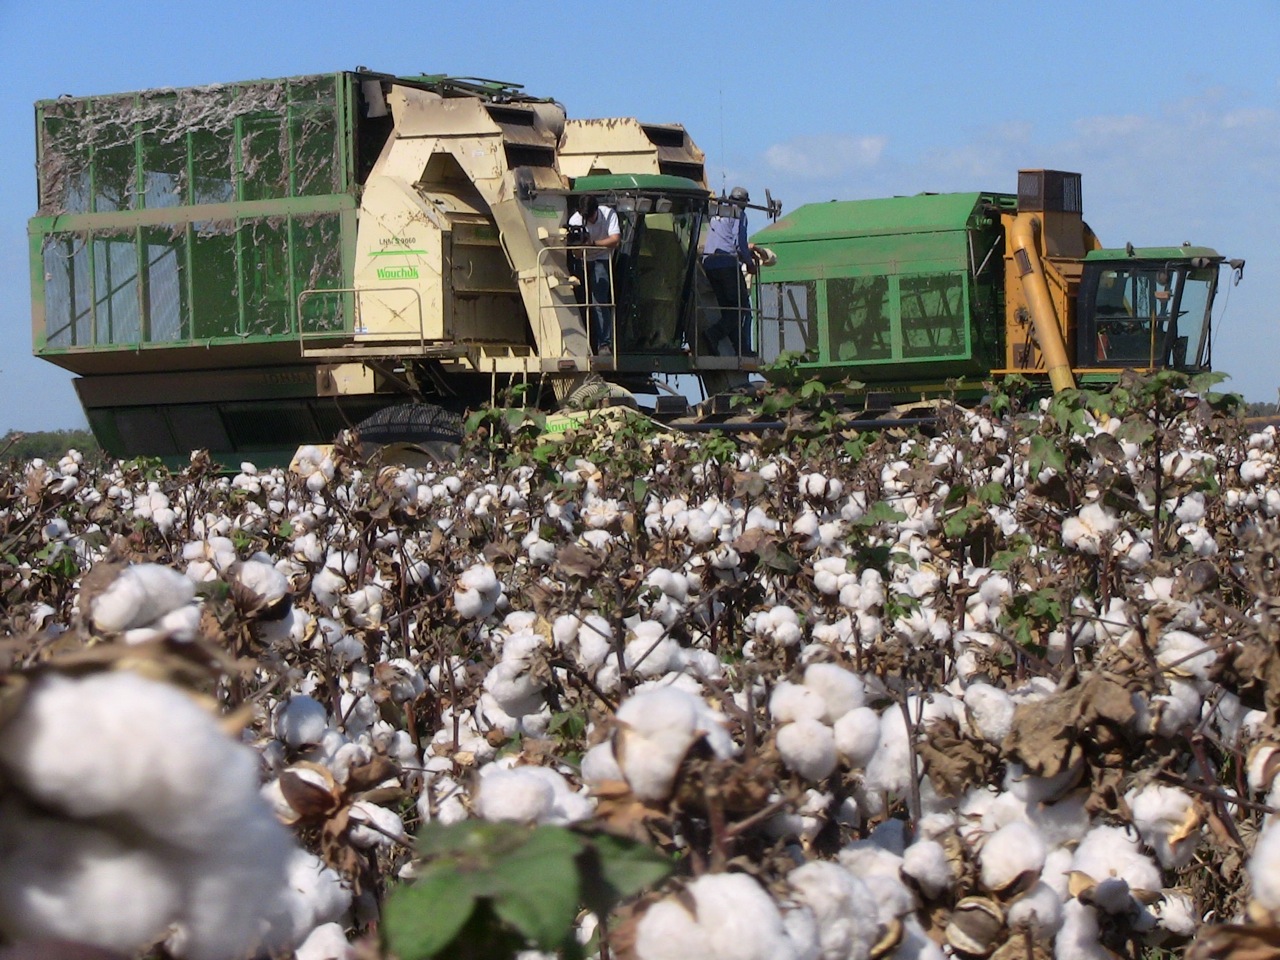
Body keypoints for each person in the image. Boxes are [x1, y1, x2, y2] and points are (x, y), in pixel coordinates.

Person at [702, 185, 758, 355]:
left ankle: (740, 349)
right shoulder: (738, 214)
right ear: (744, 202)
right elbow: (739, 244)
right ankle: (714, 335)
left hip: (709, 264)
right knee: (741, 309)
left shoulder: (717, 213)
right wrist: (749, 263)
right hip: (726, 264)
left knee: (730, 310)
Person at [568, 196, 621, 355]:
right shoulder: (575, 220)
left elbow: (615, 239)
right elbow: (575, 252)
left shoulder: (608, 214)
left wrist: (593, 244)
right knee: (577, 298)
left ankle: (604, 344)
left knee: (598, 299)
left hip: (601, 258)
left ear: (596, 211)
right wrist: (579, 246)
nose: (588, 220)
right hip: (582, 259)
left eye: (590, 216)